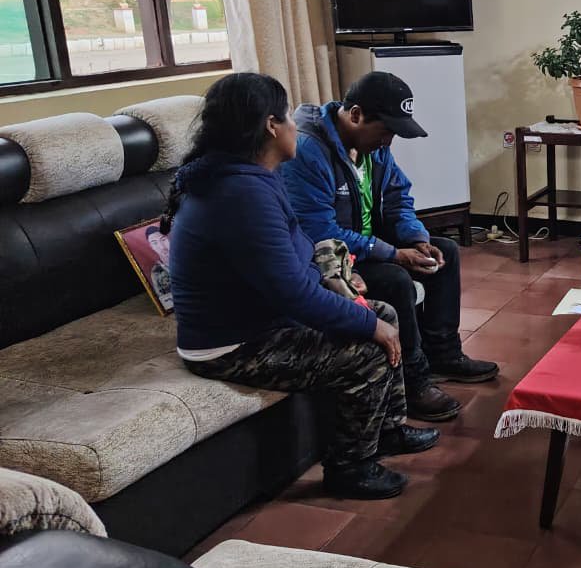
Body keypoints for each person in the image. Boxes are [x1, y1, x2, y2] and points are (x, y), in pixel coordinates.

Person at [165, 73, 438, 501]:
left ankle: (386, 430)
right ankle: (350, 468)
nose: (296, 125)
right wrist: (367, 325)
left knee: (383, 311)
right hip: (234, 345)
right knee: (370, 345)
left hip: (263, 323)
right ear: (271, 126)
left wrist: (339, 280)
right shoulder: (240, 192)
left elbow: (295, 254)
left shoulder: (252, 176)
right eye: (288, 117)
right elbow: (292, 292)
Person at [282, 71, 497, 422]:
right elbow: (319, 231)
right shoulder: (308, 152)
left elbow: (398, 197)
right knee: (395, 279)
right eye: (385, 131)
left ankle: (444, 354)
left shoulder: (375, 149)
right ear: (355, 115)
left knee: (445, 251)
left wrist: (416, 239)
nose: (389, 141)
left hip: (368, 245)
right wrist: (392, 253)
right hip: (331, 259)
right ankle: (412, 380)